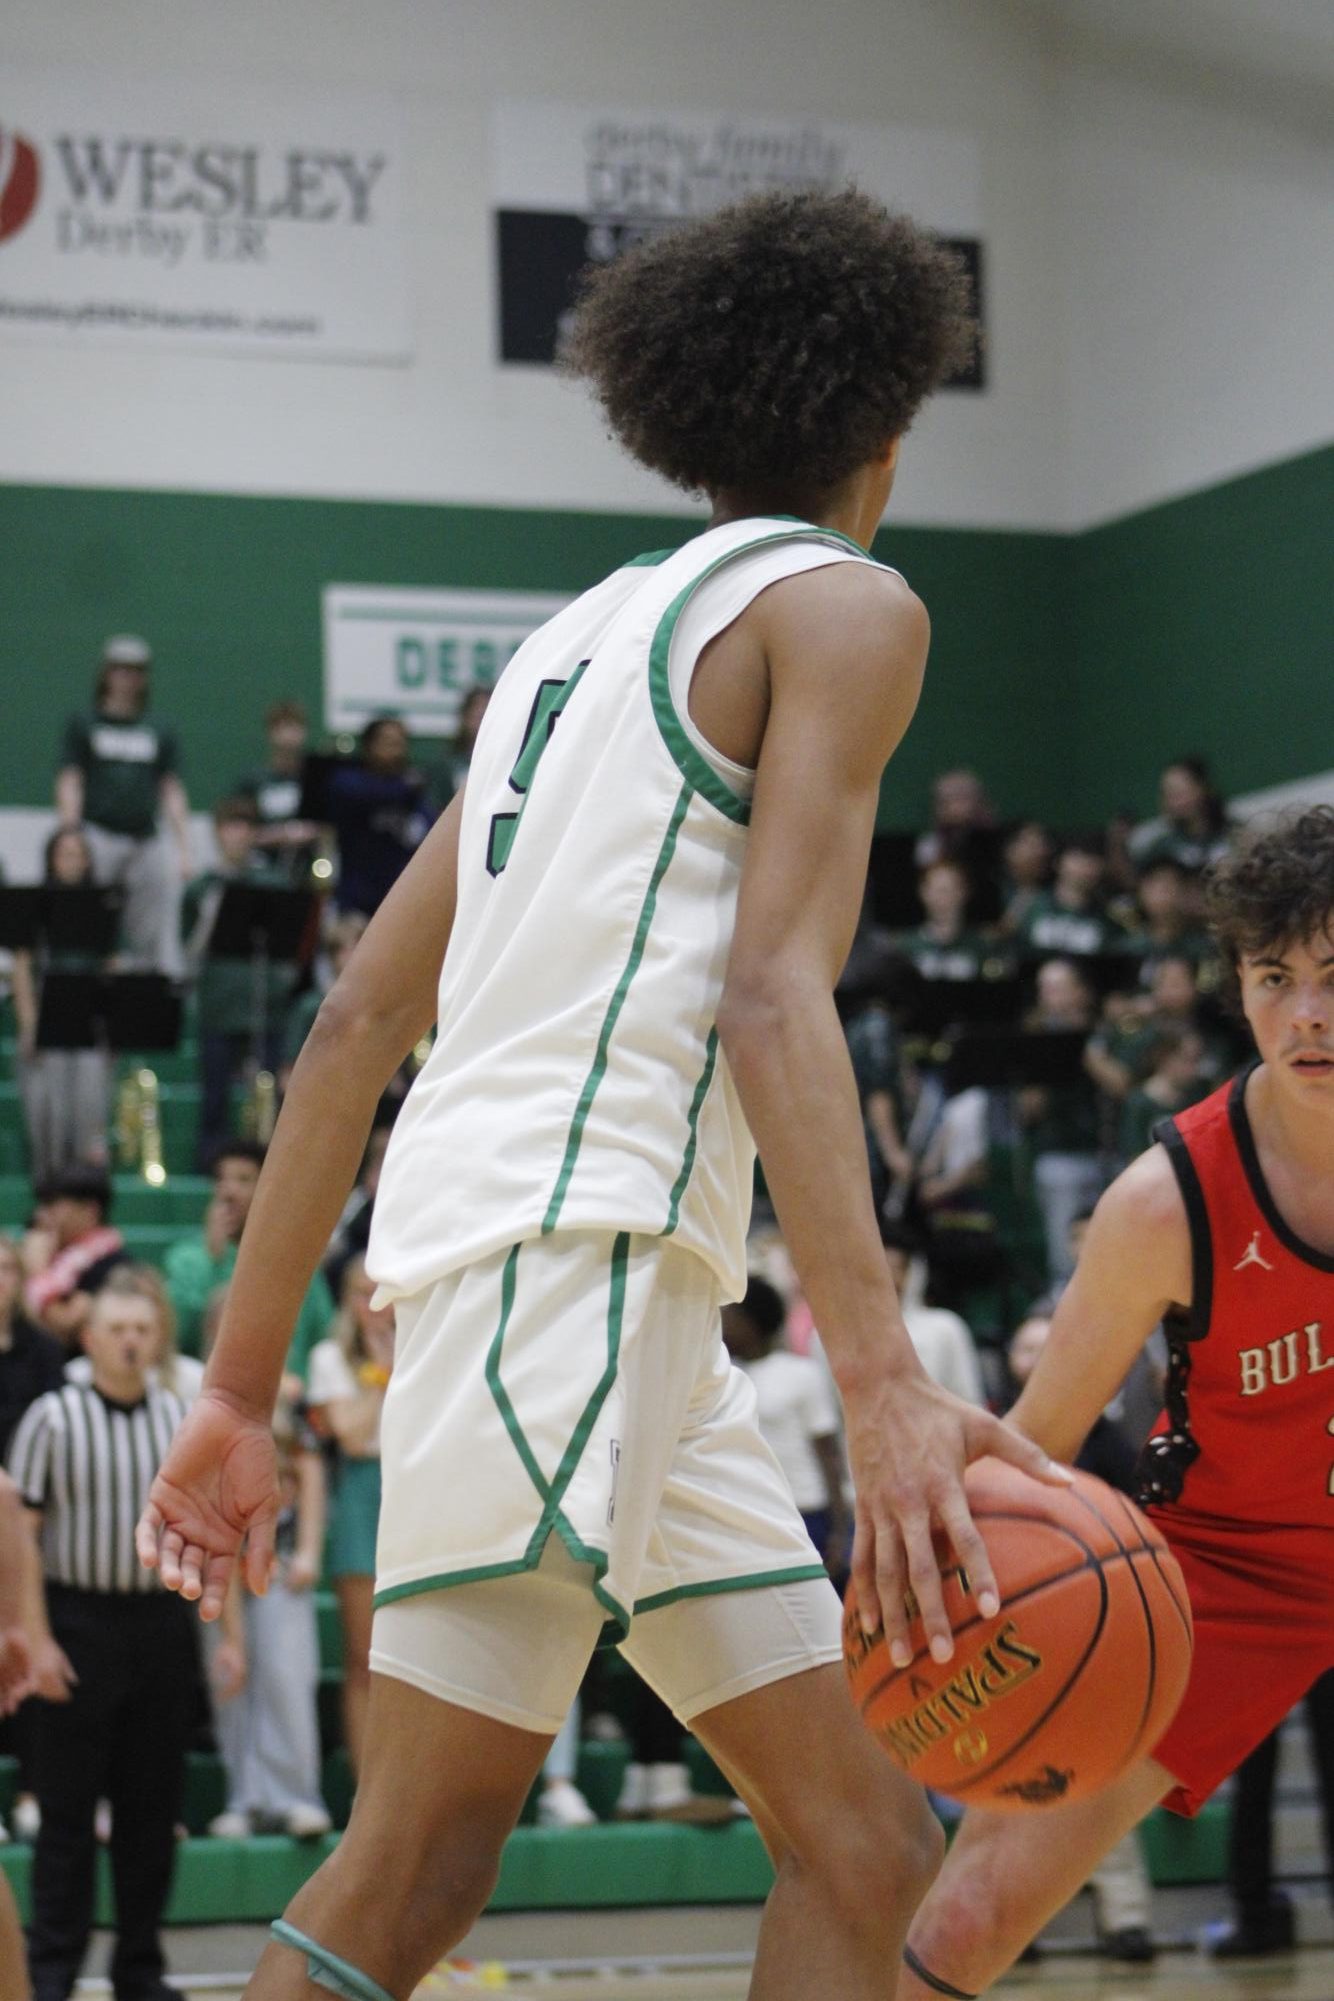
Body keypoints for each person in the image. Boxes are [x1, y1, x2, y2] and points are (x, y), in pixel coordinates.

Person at [136, 187, 1066, 2001]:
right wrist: (878, 1381)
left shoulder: (562, 649)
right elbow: (770, 1000)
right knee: (415, 1865)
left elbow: (345, 1033)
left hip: (607, 1299)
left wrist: (240, 1388)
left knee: (867, 1837)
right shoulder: (847, 608)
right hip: (574, 1264)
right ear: (887, 426)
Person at [894, 805, 1334, 2001]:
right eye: (1272, 977)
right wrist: (949, 1614)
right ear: (1233, 988)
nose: (1306, 1013)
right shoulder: (1164, 1202)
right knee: (977, 1916)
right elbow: (1029, 1448)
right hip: (1219, 1575)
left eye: (1333, 978)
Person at [9, 1271, 193, 2001]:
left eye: (142, 1330)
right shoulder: (52, 1417)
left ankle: (139, 1970)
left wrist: (228, 1639)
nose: (129, 1340)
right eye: (116, 1328)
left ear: (157, 1340)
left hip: (160, 1625)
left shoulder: (180, 1418)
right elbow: (22, 1534)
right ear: (88, 1338)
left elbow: (205, 1531)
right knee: (65, 1817)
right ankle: (50, 1974)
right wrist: (35, 1635)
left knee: (153, 1812)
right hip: (75, 1620)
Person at [1005, 1308, 1156, 1965]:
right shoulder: (993, 1435)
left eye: (1049, 1346)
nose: (1037, 1357)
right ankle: (1013, 1922)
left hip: (1093, 1634)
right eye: (1026, 1346)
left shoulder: (1106, 1436)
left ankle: (1127, 1917)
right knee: (1009, 1783)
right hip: (1014, 1639)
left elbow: (1146, 1524)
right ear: (1011, 1360)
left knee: (1093, 1780)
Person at [207, 1285, 331, 1843]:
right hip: (218, 1563)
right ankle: (245, 1795)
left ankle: (296, 1795)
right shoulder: (202, 1404)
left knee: (286, 1674)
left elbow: (310, 1470)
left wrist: (307, 1551)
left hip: (278, 1561)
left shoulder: (289, 1392)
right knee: (232, 1677)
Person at [54, 635, 190, 975]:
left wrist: (184, 847)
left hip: (145, 840)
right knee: (89, 929)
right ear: (106, 673)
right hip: (97, 838)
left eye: (136, 671)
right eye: (121, 670)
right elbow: (70, 779)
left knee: (150, 940)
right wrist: (71, 834)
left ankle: (142, 1011)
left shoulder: (158, 729)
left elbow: (171, 789)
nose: (128, 678)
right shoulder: (85, 723)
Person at [305, 1256, 392, 1779]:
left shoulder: (427, 1345)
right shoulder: (328, 1358)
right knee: (364, 1658)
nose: (373, 1306)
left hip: (419, 1491)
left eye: (381, 1292)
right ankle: (367, 1792)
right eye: (362, 1293)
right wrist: (385, 1375)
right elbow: (355, 1436)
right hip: (361, 1497)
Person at [182, 796, 301, 1170]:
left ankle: (268, 1165)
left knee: (268, 1096)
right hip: (218, 1005)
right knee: (214, 1095)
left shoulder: (273, 884)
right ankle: (210, 1165)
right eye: (230, 827)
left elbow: (291, 942)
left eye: (246, 827)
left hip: (266, 1005)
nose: (238, 836)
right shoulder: (202, 887)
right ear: (218, 833)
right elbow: (189, 946)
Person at [162, 1141, 334, 1371]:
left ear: (268, 1188)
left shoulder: (296, 1259)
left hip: (288, 1392)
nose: (229, 1191)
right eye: (221, 1180)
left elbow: (323, 1335)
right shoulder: (186, 1258)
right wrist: (212, 1261)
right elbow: (178, 1336)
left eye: (243, 1180)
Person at [721, 1274, 851, 1574]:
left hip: (806, 1511)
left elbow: (829, 1454)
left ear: (751, 1320)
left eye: (729, 1316)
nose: (722, 1327)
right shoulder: (726, 1379)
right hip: (756, 1515)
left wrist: (840, 1532)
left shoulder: (800, 1374)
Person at [1203, 1670, 1334, 1958]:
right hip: (1265, 1635)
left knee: (1254, 1780)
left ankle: (1253, 1918)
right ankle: (1253, 1918)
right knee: (1252, 1779)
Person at [11, 827, 115, 1183]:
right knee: (47, 1113)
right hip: (48, 1018)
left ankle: (86, 1187)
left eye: (78, 854)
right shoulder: (36, 906)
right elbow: (22, 968)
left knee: (89, 1109)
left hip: (89, 1020)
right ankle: (48, 1187)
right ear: (51, 860)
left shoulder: (104, 905)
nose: (72, 861)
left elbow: (110, 967)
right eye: (64, 853)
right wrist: (29, 1026)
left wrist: (111, 1027)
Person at [326, 716, 435, 920]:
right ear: (369, 746)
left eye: (400, 744)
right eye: (388, 743)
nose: (396, 751)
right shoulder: (349, 783)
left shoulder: (413, 794)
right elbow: (372, 793)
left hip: (400, 901)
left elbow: (429, 829)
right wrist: (407, 787)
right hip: (356, 903)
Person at [22, 1171, 125, 1352]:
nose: (42, 1215)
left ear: (90, 1209)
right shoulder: (49, 1257)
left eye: (52, 1205)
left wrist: (38, 1273)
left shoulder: (113, 1265)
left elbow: (65, 1326)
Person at [235, 700, 321, 882]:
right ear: (270, 732)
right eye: (282, 727)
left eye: (295, 727)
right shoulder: (254, 780)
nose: (289, 736)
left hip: (308, 868)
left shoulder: (315, 779)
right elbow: (241, 831)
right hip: (262, 870)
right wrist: (283, 835)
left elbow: (326, 827)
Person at [0, 1237, 65, 1463]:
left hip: (32, 1473)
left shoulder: (46, 1348)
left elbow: (57, 1420)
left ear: (20, 1279)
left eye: (7, 1268)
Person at [1126, 755, 1233, 876]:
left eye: (1180, 792)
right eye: (1167, 794)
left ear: (1203, 789)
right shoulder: (1161, 850)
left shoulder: (1237, 836)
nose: (1173, 802)